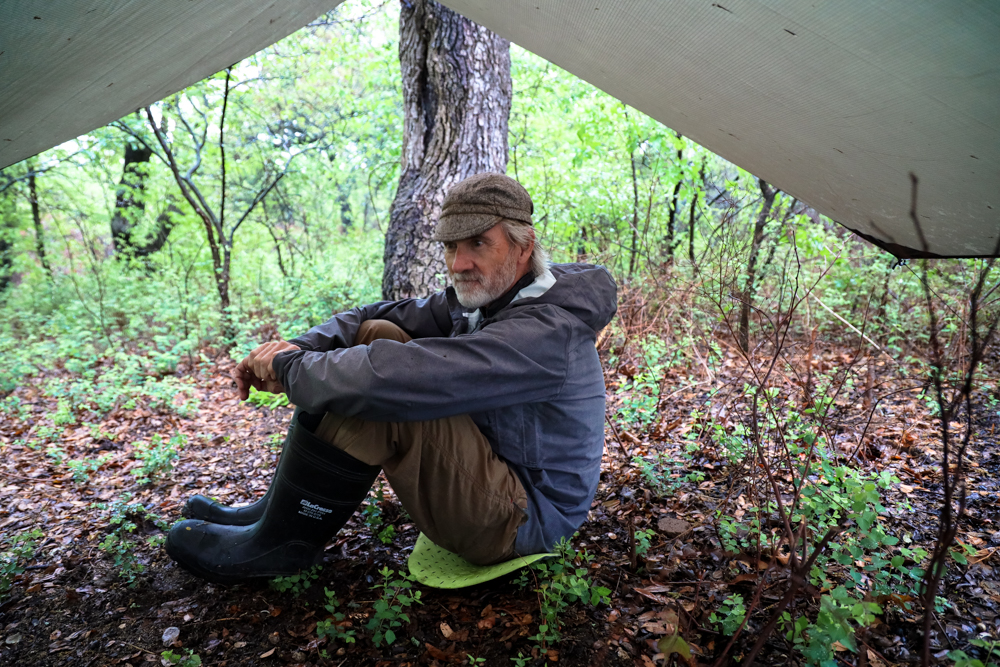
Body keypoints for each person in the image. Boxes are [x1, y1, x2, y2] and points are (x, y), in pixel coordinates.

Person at [165, 172, 618, 583]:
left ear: (523, 246)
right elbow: (375, 316)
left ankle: (283, 546)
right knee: (373, 335)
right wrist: (298, 348)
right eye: (449, 246)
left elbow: (403, 377)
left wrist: (290, 372)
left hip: (526, 517)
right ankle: (276, 517)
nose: (458, 263)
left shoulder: (546, 329)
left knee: (386, 388)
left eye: (478, 242)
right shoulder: (492, 297)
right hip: (494, 470)